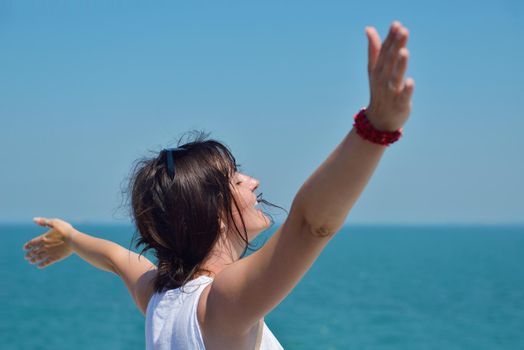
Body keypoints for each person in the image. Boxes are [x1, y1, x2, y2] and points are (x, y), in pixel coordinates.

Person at [23, 20, 414, 350]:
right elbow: (311, 224)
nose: (254, 181)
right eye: (236, 178)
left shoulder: (159, 299)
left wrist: (72, 237)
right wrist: (375, 129)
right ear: (212, 212)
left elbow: (113, 257)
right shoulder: (221, 304)